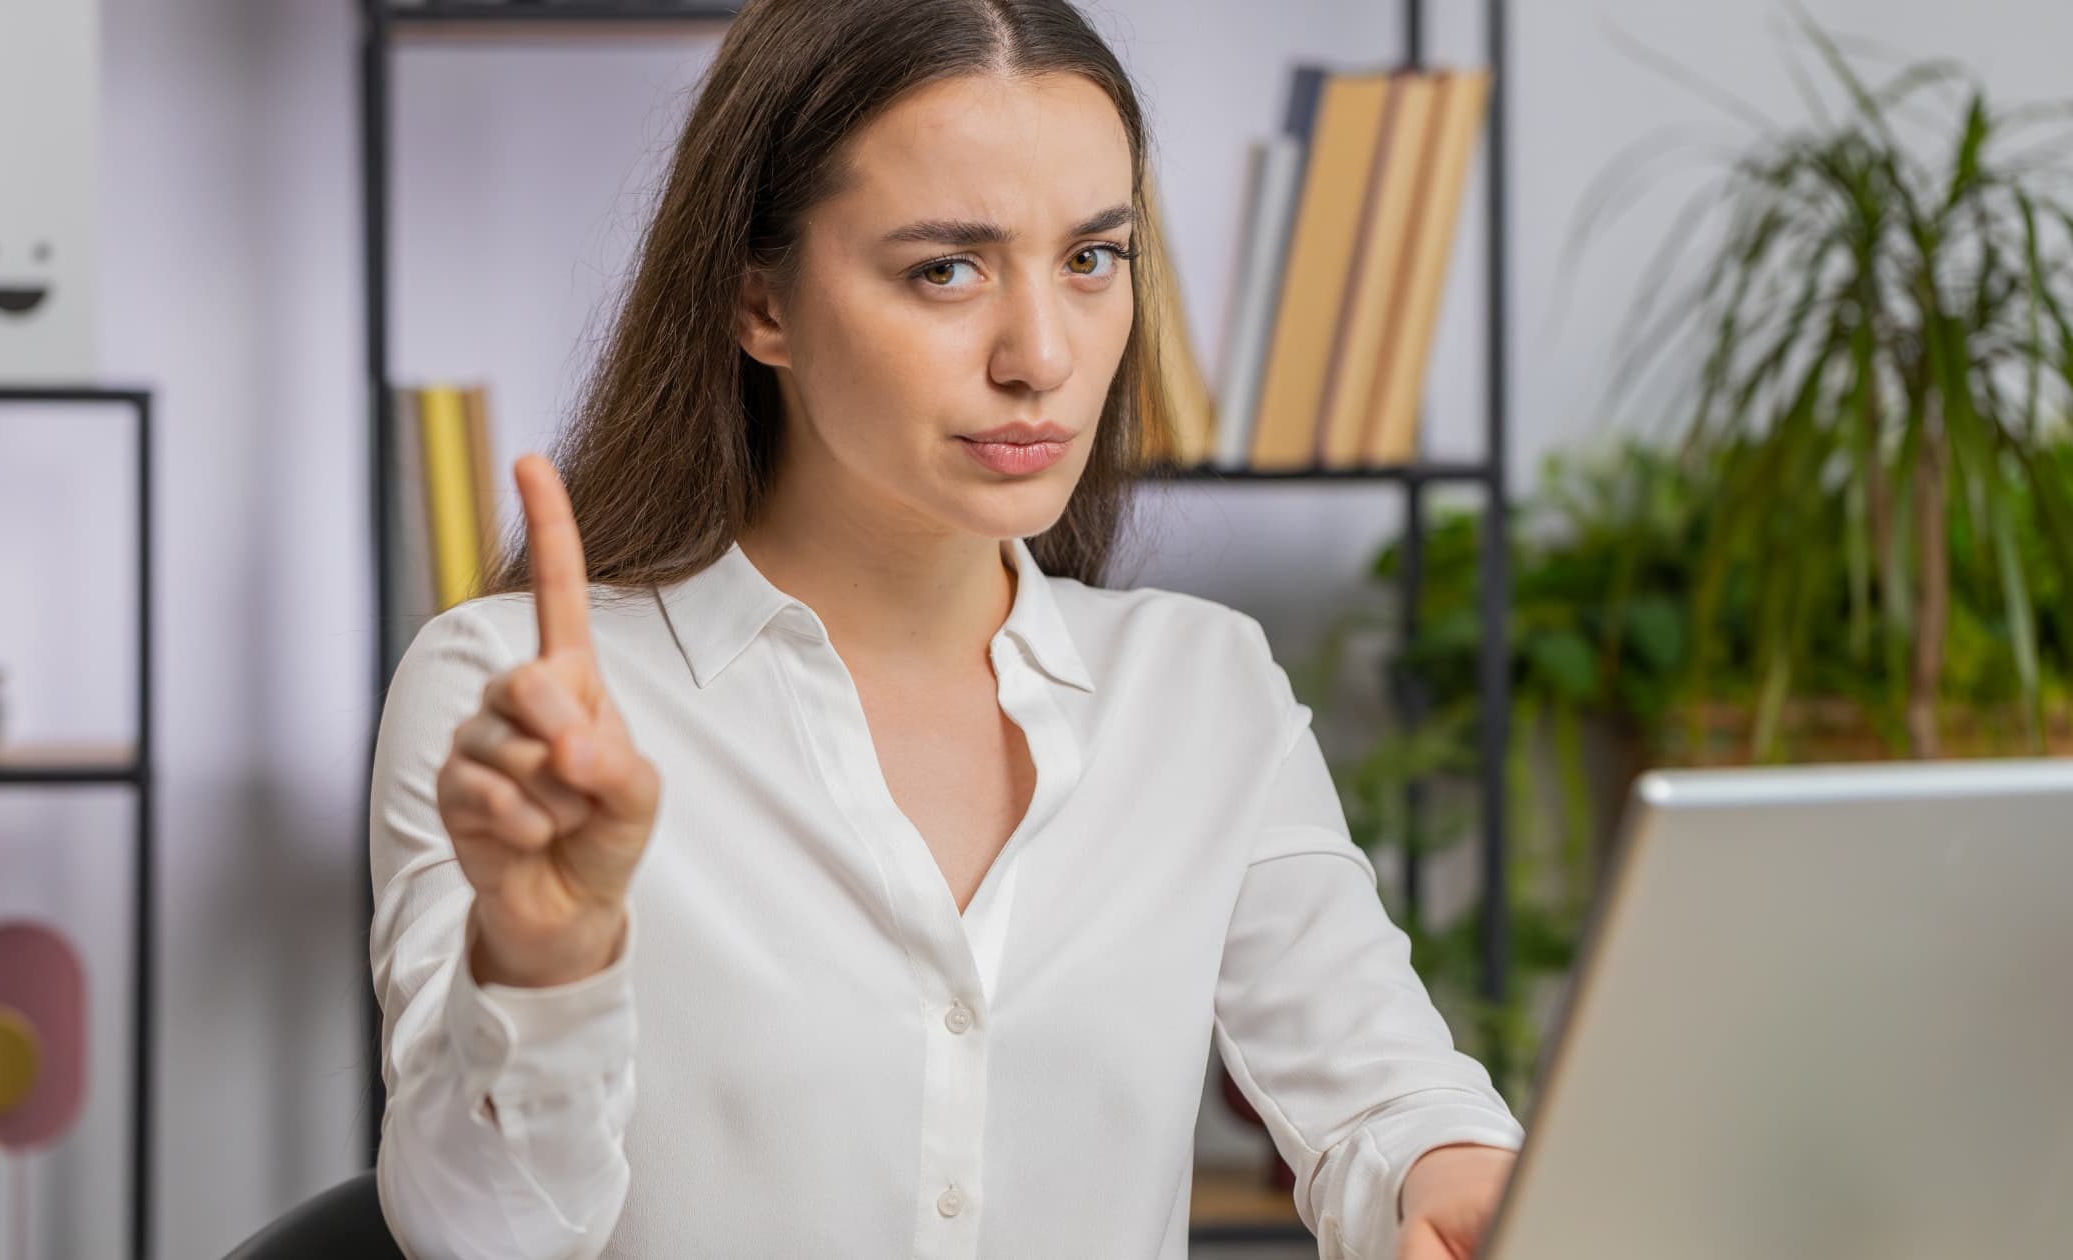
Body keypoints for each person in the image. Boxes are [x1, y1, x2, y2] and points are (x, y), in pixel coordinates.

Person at [366, 1, 1524, 1256]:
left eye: (1091, 258)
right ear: (760, 304)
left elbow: (1386, 1100)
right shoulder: (518, 701)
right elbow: (470, 1237)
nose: (1041, 357)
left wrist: (1452, 1177)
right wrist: (546, 960)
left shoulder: (1199, 688)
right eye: (945, 270)